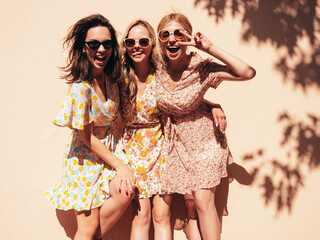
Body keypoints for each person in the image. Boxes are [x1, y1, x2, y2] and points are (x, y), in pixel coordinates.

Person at [156, 13, 256, 240]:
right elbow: (174, 102)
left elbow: (247, 73)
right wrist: (212, 104)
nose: (172, 39)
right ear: (160, 40)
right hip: (177, 144)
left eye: (179, 33)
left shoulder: (202, 67)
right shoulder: (157, 68)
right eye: (166, 34)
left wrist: (209, 48)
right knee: (189, 207)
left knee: (202, 199)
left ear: (187, 36)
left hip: (205, 140)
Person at [45, 14, 135, 240]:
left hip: (107, 156)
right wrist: (121, 166)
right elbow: (85, 137)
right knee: (89, 228)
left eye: (107, 44)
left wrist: (209, 104)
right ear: (84, 48)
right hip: (84, 160)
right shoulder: (80, 88)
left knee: (125, 193)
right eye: (94, 44)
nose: (101, 50)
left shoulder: (112, 80)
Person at [117, 19, 172, 240]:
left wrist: (213, 105)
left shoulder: (163, 75)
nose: (136, 46)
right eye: (130, 42)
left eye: (142, 41)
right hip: (132, 150)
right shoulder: (118, 77)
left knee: (162, 216)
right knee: (141, 216)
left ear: (151, 44)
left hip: (161, 147)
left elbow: (185, 98)